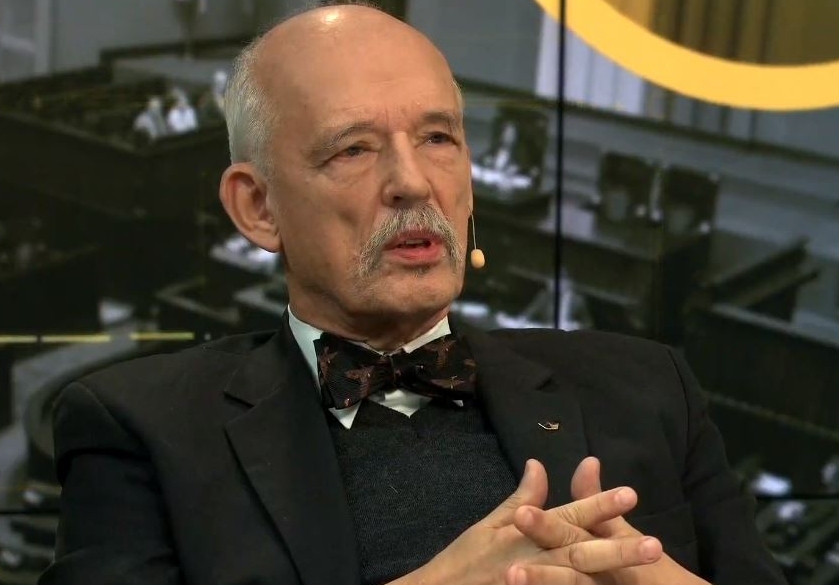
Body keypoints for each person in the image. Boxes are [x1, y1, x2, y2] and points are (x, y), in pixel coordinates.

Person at [39, 2, 787, 585]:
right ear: (258, 207)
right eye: (353, 148)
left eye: (438, 138)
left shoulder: (652, 386)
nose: (413, 182)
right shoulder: (139, 430)